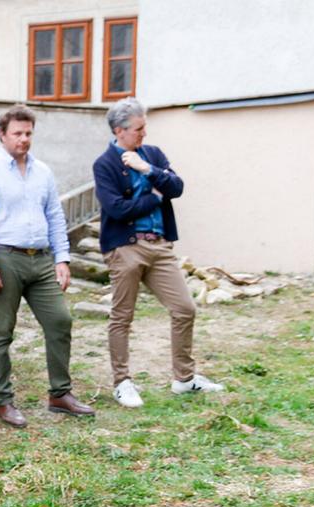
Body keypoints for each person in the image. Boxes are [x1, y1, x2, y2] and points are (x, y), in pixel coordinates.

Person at [0, 104, 95, 429]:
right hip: (5, 259)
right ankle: (3, 401)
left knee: (60, 321)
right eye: (17, 133)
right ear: (2, 135)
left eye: (28, 133)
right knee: (1, 332)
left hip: (41, 259)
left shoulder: (43, 172)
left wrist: (62, 259)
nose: (24, 139)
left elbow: (54, 215)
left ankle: (60, 394)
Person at [93, 97, 224, 407]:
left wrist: (148, 169)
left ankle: (184, 378)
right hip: (126, 247)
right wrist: (154, 197)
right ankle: (122, 382)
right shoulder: (105, 164)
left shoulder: (152, 154)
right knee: (122, 316)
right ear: (119, 130)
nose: (144, 134)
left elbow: (176, 187)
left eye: (144, 127)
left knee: (185, 308)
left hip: (160, 246)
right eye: (138, 129)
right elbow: (117, 209)